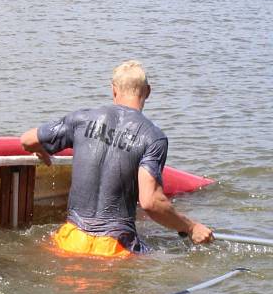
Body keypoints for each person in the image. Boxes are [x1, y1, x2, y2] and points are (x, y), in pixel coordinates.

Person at [20, 60, 213, 257]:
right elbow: (150, 202)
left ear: (113, 90)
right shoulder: (153, 137)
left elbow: (27, 140)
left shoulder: (81, 119)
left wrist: (42, 150)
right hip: (115, 248)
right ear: (147, 91)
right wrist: (191, 227)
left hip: (70, 240)